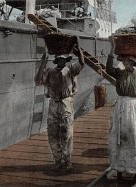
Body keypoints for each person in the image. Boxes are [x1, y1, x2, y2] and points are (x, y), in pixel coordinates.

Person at [107, 37, 136, 184]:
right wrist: (111, 48)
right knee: (120, 138)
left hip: (134, 109)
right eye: (125, 62)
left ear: (134, 63)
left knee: (135, 138)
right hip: (121, 108)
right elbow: (108, 69)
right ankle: (120, 171)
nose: (126, 64)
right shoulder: (119, 73)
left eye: (129, 62)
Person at [34, 37, 85, 170]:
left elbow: (82, 63)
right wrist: (43, 63)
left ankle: (67, 160)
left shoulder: (70, 70)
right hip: (53, 104)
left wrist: (79, 50)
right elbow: (38, 80)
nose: (61, 61)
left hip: (66, 103)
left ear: (65, 60)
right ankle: (57, 160)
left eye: (63, 59)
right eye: (59, 59)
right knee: (52, 132)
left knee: (67, 132)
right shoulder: (50, 72)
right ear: (56, 61)